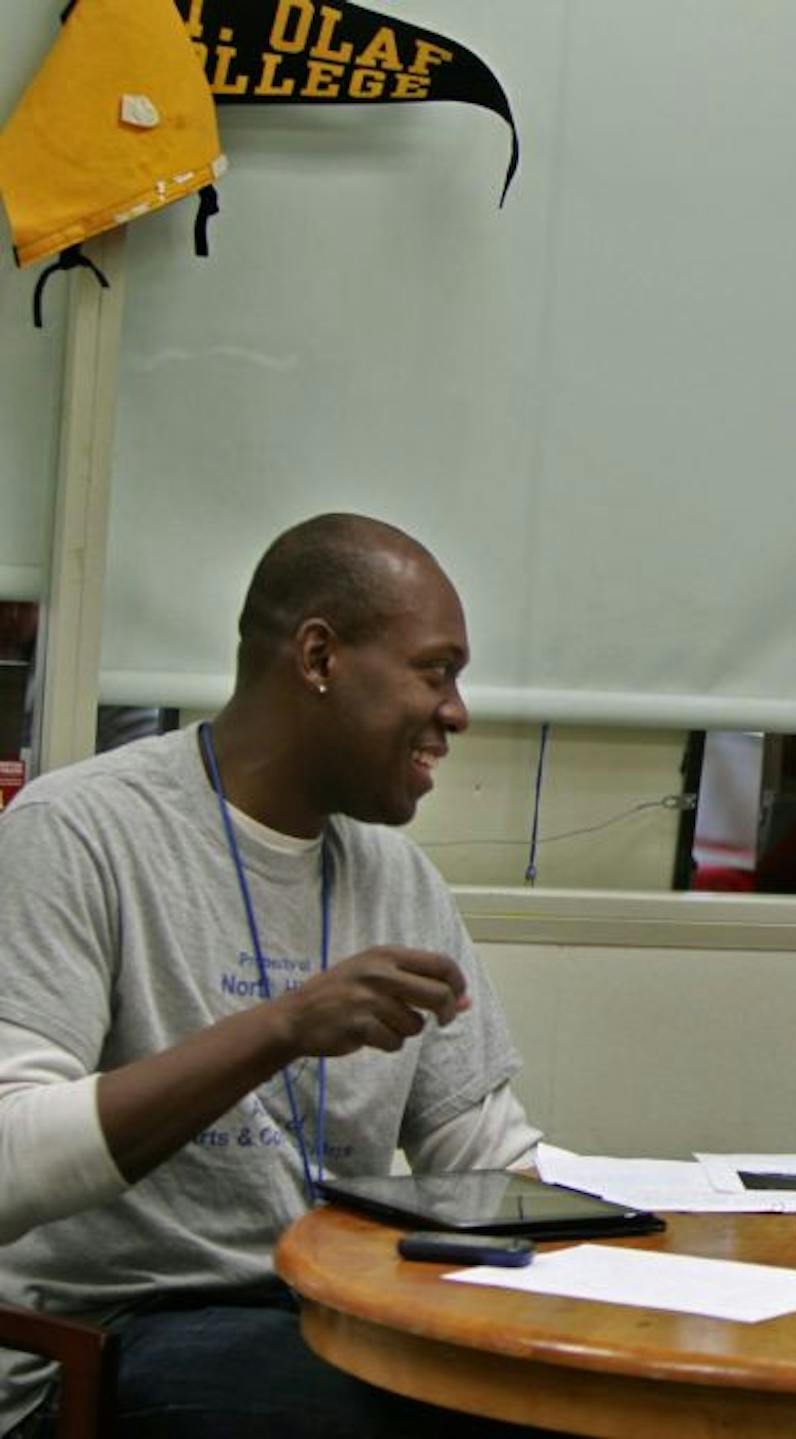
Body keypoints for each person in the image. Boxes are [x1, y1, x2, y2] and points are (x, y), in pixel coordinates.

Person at [0, 515, 542, 1438]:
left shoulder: (398, 880)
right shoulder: (80, 833)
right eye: (435, 670)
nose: (456, 711)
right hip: (107, 1339)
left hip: (326, 1314)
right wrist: (281, 1027)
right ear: (320, 656)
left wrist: (641, 1248)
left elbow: (486, 1156)